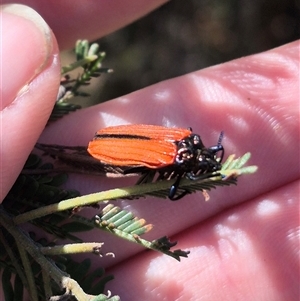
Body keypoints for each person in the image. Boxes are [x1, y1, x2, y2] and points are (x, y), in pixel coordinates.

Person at [1, 3, 299, 300]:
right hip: (122, 152)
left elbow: (175, 183)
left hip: (124, 149)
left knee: (72, 157)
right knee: (80, 159)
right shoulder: (179, 149)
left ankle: (51, 158)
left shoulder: (184, 139)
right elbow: (172, 190)